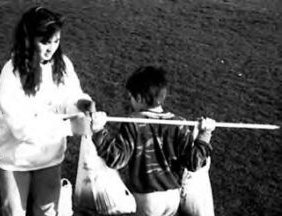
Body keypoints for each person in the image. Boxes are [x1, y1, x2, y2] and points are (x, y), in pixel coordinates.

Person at [0, 6, 91, 216]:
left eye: (56, 41)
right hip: (15, 158)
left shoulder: (62, 64)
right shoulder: (11, 75)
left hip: (49, 156)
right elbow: (23, 129)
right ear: (27, 39)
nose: (52, 48)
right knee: (14, 213)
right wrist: (70, 127)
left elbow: (71, 95)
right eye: (45, 42)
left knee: (47, 211)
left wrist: (82, 103)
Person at [87, 66, 216, 216]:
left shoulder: (134, 122)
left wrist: (98, 131)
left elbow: (117, 159)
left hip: (146, 197)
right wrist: (205, 135)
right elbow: (194, 163)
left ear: (140, 98)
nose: (130, 102)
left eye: (131, 97)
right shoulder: (179, 123)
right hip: (173, 195)